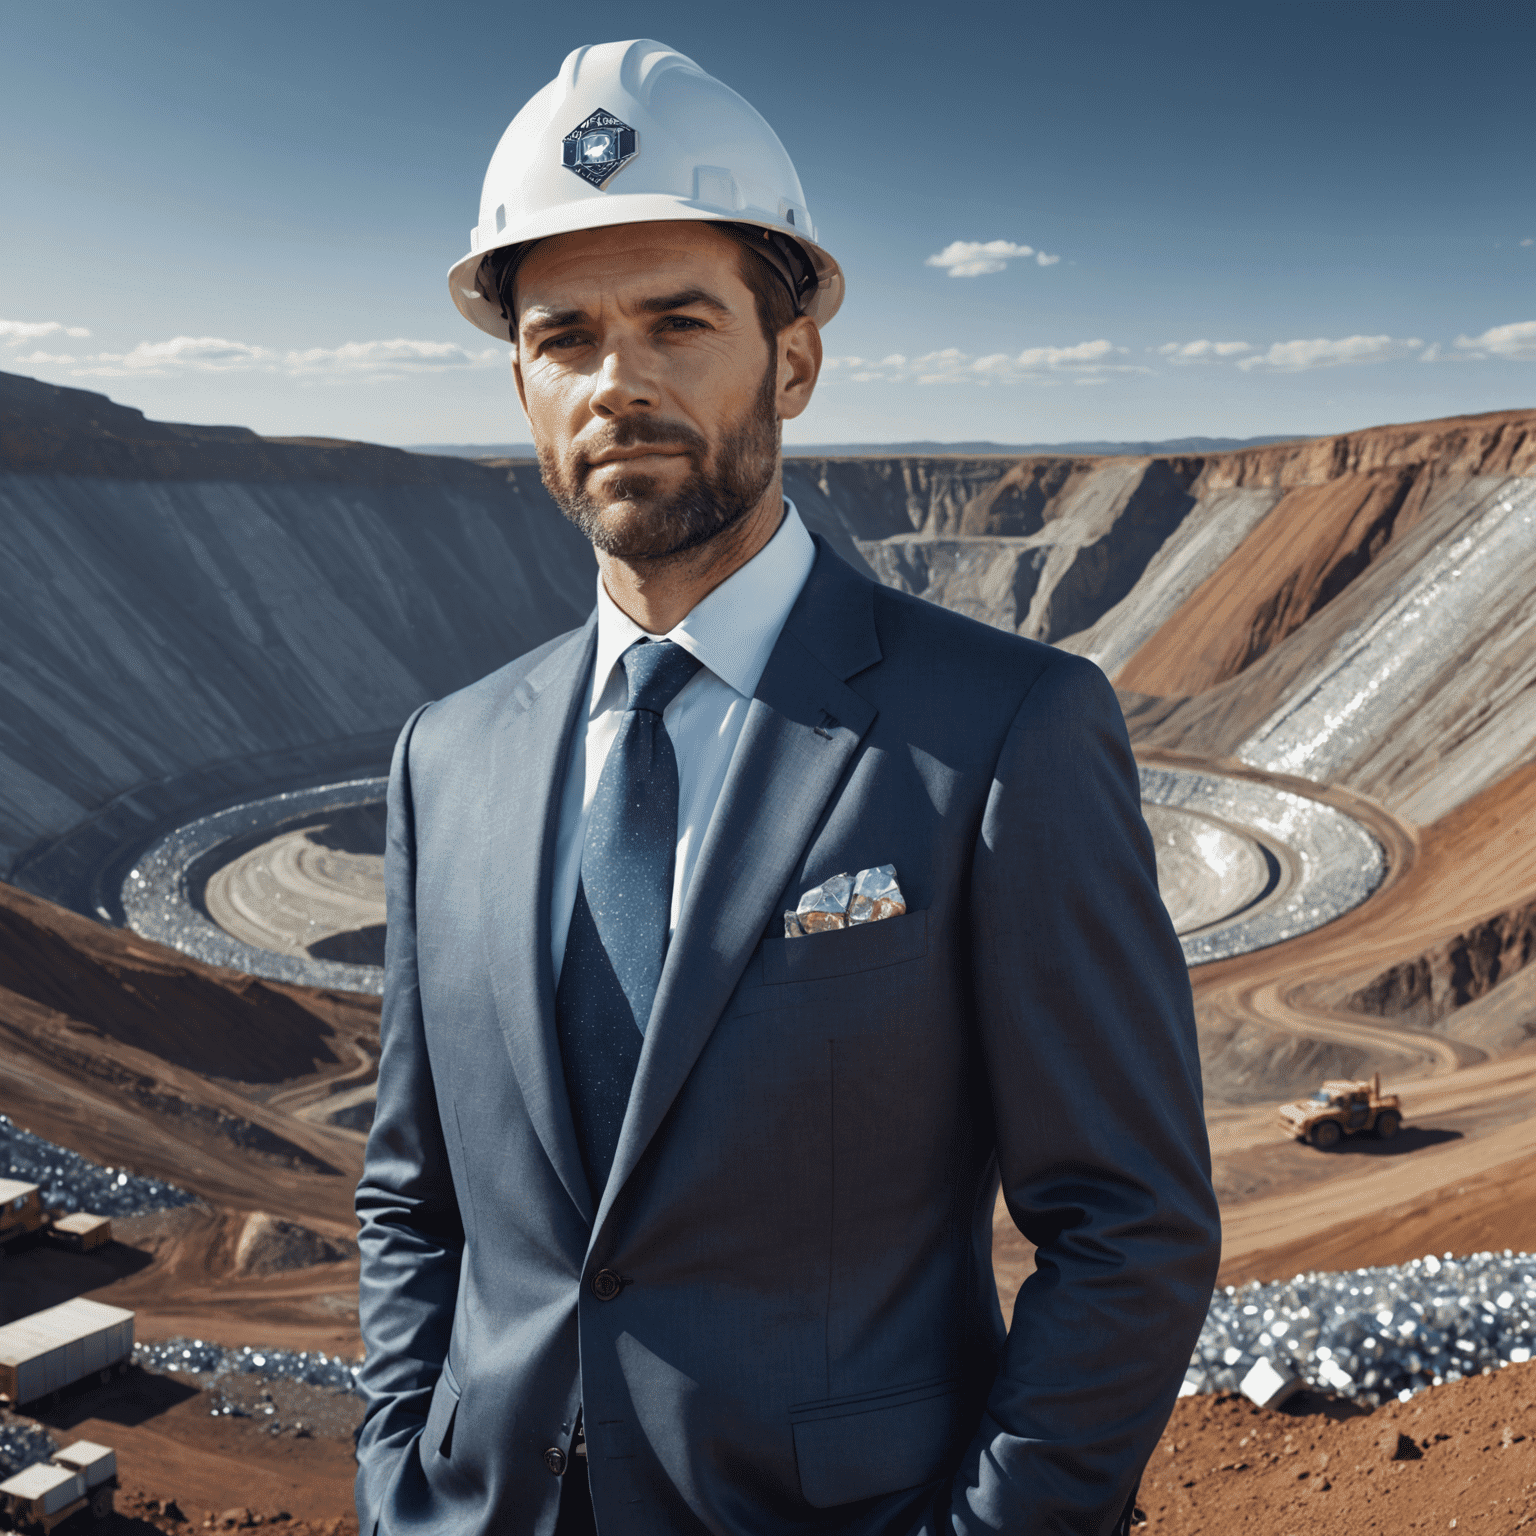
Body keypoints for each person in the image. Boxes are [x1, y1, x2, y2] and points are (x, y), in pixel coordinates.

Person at [354, 38, 1220, 1536]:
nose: (617, 382)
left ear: (795, 358)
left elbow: (1129, 1229)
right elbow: (413, 1199)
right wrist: (397, 1486)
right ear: (519, 384)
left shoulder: (1005, 732)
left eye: (679, 321)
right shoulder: (449, 757)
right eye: (563, 337)